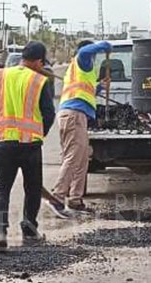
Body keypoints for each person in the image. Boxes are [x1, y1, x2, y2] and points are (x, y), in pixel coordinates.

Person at [0, 41, 56, 252]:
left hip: (2, 142)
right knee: (32, 188)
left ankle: (0, 231)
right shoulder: (39, 80)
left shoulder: (1, 76)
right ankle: (29, 230)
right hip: (30, 144)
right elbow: (49, 114)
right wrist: (39, 133)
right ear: (39, 61)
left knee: (1, 187)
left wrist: (2, 115)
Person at [44, 39, 112, 218]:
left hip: (77, 115)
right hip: (73, 115)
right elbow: (84, 51)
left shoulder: (81, 70)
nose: (94, 58)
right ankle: (57, 197)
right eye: (94, 54)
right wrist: (104, 45)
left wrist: (99, 88)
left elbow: (84, 92)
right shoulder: (82, 59)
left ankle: (75, 200)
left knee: (82, 159)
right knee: (73, 157)